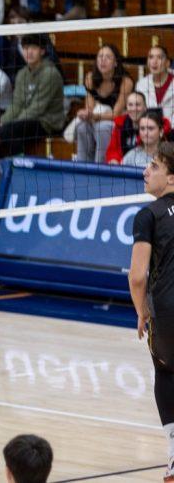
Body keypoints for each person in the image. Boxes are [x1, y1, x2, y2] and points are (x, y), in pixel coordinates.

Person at [129, 142, 174, 482]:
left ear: (171, 178)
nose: (146, 171)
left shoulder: (148, 215)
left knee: (167, 373)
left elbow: (137, 274)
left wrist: (140, 310)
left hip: (168, 310)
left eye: (155, 166)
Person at [0, 34, 65, 159]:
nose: (29, 52)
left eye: (33, 48)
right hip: (26, 118)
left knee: (7, 130)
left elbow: (36, 109)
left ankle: (15, 167)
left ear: (43, 51)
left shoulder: (50, 73)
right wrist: (1, 122)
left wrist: (4, 125)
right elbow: (16, 105)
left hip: (46, 122)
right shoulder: (22, 73)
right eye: (26, 48)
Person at [75, 44, 134, 163]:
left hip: (118, 123)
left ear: (116, 63)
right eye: (100, 56)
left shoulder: (125, 81)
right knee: (82, 127)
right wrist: (85, 114)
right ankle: (82, 166)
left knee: (102, 128)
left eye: (108, 57)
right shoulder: (90, 78)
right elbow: (90, 108)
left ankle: (100, 167)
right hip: (98, 118)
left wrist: (95, 116)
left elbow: (116, 114)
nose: (103, 60)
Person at [106, 91, 168, 163]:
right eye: (130, 105)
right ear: (126, 107)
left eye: (137, 104)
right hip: (127, 164)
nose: (134, 108)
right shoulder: (120, 125)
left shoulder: (159, 124)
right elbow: (112, 150)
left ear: (145, 107)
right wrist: (115, 160)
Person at [137, 44, 174, 121]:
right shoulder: (141, 84)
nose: (154, 61)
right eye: (151, 57)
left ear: (167, 63)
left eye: (159, 57)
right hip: (148, 129)